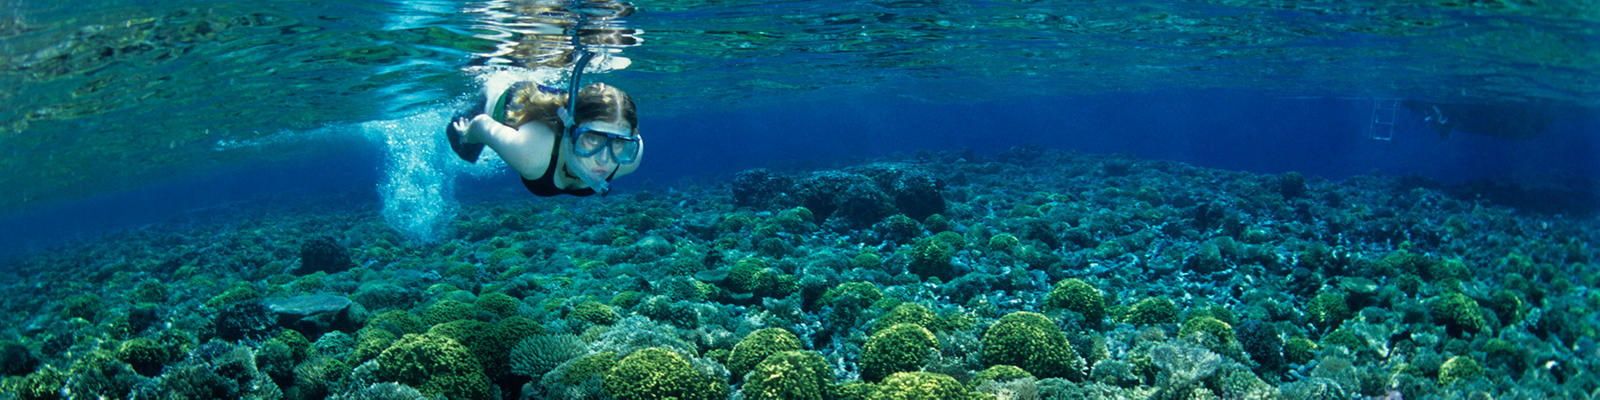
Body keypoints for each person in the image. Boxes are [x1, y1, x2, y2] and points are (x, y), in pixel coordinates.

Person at [444, 81, 642, 197]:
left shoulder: (628, 159)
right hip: (512, 102)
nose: (604, 159)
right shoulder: (531, 155)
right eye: (591, 139)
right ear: (569, 130)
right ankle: (490, 88)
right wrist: (467, 133)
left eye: (617, 143)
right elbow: (482, 125)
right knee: (464, 149)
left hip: (568, 108)